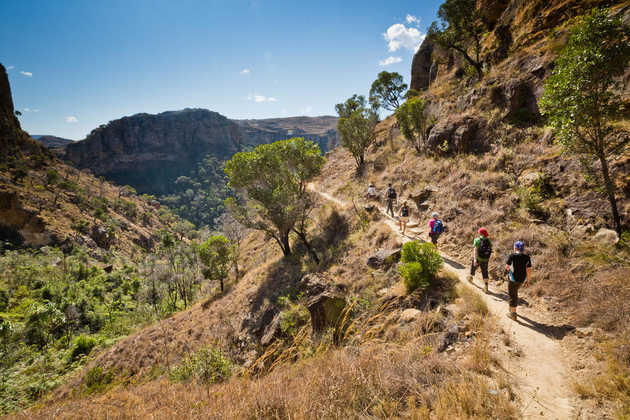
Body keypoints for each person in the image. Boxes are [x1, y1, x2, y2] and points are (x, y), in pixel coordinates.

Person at [505, 240, 531, 320]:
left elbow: (507, 267)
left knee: (512, 295)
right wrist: (528, 280)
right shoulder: (527, 257)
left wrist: (508, 271)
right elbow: (528, 270)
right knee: (514, 292)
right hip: (521, 279)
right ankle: (511, 309)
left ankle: (513, 313)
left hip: (512, 278)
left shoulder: (512, 256)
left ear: (515, 247)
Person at [467, 227, 492, 294]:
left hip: (478, 258)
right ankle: (486, 286)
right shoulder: (489, 241)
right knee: (485, 272)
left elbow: (475, 250)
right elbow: (490, 250)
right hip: (485, 259)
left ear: (480, 233)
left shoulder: (477, 240)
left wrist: (475, 259)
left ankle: (470, 277)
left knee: (473, 267)